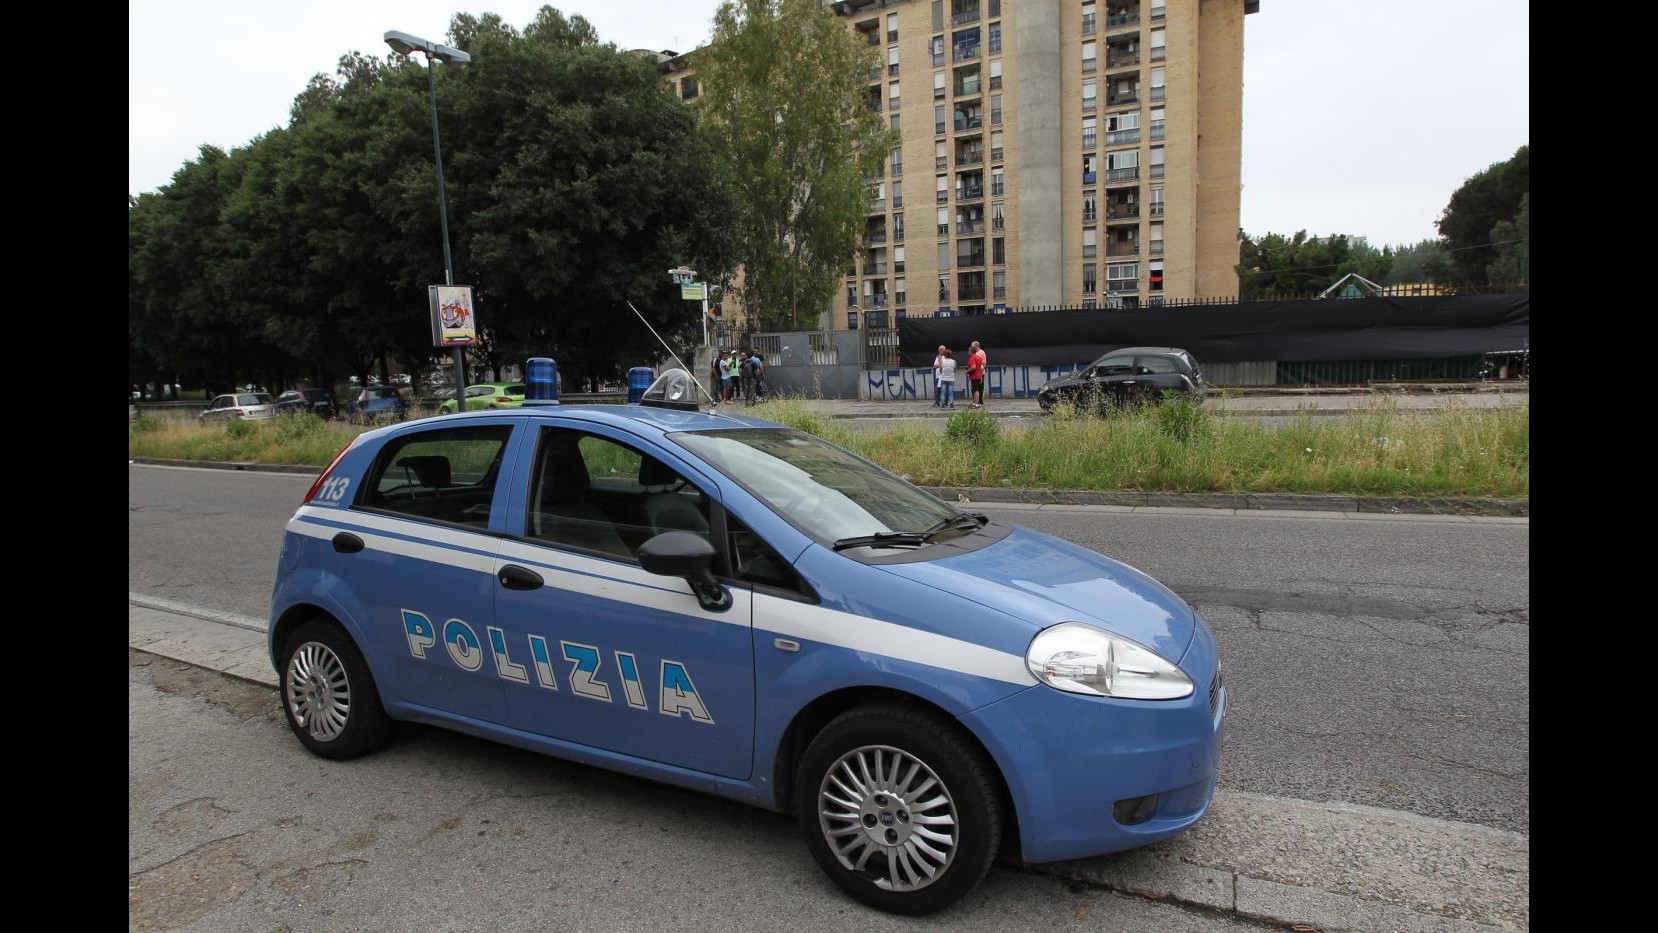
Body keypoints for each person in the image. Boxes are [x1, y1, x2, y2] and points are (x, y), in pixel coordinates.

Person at [967, 340, 987, 408]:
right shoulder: (977, 356)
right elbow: (980, 365)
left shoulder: (980, 353)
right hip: (978, 374)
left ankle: (978, 402)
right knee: (975, 389)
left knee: (977, 389)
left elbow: (978, 365)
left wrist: (967, 371)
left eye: (972, 346)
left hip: (976, 375)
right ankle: (975, 402)